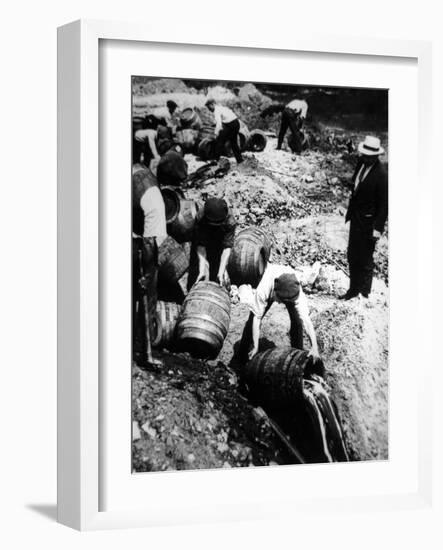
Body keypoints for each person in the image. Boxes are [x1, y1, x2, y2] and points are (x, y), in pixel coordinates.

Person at [237, 264, 320, 363]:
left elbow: (307, 322)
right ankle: (241, 356)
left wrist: (314, 347)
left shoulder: (297, 293)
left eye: (289, 301)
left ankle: (297, 355)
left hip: (287, 284)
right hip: (271, 281)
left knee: (297, 322)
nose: (282, 304)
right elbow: (257, 318)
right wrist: (256, 346)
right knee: (251, 320)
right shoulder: (264, 289)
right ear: (275, 293)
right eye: (282, 300)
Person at [340, 135, 388, 300]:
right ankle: (353, 290)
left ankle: (364, 294)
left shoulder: (381, 175)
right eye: (364, 154)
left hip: (369, 223)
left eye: (368, 156)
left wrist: (378, 229)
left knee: (366, 259)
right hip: (356, 218)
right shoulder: (361, 163)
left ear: (375, 156)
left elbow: (384, 205)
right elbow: (357, 183)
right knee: (352, 254)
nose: (364, 157)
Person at [132, 163, 168, 367]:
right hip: (135, 242)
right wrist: (147, 274)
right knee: (148, 291)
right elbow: (149, 241)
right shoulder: (155, 198)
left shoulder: (137, 170)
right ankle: (144, 353)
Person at [187, 197, 236, 290]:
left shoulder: (230, 222)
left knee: (217, 272)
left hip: (220, 240)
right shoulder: (200, 217)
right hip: (205, 237)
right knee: (197, 271)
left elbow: (227, 248)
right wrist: (202, 269)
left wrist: (221, 271)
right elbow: (201, 245)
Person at [205, 99, 244, 164]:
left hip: (230, 124)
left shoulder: (216, 111)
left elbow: (219, 124)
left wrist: (216, 133)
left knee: (220, 141)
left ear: (212, 104)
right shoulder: (222, 107)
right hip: (236, 123)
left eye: (209, 108)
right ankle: (240, 160)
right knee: (233, 142)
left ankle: (215, 160)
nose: (209, 110)